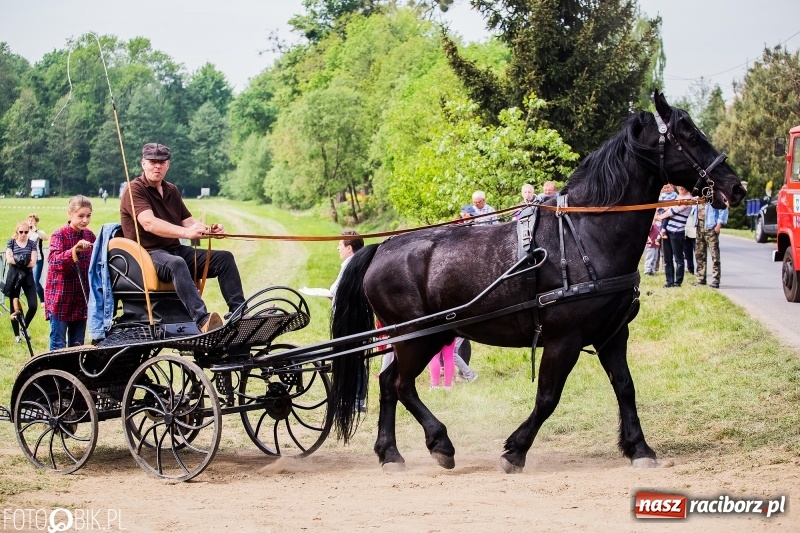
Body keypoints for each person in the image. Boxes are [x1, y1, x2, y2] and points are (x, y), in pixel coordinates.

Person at [119, 142, 245, 333]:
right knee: (177, 263)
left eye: (162, 162)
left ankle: (239, 313)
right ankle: (202, 320)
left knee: (224, 258)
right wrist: (186, 234)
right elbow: (149, 223)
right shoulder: (134, 190)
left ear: (168, 165)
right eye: (152, 162)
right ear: (143, 163)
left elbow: (188, 222)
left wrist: (210, 230)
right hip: (147, 255)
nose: (157, 166)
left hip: (174, 250)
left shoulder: (172, 190)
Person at [45, 196, 97, 350]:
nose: (85, 220)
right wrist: (74, 250)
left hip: (81, 300)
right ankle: (57, 367)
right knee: (58, 346)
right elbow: (54, 261)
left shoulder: (90, 236)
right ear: (70, 213)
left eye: (88, 216)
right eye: (80, 216)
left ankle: (73, 367)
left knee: (77, 345)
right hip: (61, 300)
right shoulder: (59, 235)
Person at [330, 230, 368, 412]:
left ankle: (356, 399)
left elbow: (337, 291)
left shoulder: (351, 266)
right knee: (356, 358)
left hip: (349, 319)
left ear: (349, 248)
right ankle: (357, 398)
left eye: (340, 245)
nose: (338, 248)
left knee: (353, 358)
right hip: (353, 317)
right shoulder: (358, 264)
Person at [5, 220, 38, 343]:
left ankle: (24, 327)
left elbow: (33, 262)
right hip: (14, 276)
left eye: (26, 232)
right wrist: (24, 260)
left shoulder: (31, 244)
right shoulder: (11, 242)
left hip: (27, 276)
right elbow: (9, 259)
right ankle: (17, 335)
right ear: (17, 231)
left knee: (33, 305)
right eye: (21, 232)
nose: (23, 234)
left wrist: (17, 260)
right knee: (14, 305)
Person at [656, 185, 691, 288]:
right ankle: (669, 281)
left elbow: (672, 211)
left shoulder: (688, 199)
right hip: (668, 230)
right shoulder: (678, 197)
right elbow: (668, 208)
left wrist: (660, 216)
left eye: (683, 187)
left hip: (677, 232)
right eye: (679, 187)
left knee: (678, 259)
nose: (680, 188)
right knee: (667, 259)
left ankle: (678, 282)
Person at [692, 203, 729, 288]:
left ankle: (715, 280)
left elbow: (723, 208)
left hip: (711, 226)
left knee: (714, 255)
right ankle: (701, 278)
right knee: (699, 254)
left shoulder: (715, 196)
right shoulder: (698, 196)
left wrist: (719, 224)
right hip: (699, 226)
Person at [26, 214, 48, 302]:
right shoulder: (25, 232)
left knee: (35, 280)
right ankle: (31, 300)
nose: (30, 222)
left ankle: (43, 300)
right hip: (27, 260)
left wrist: (36, 230)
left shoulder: (38, 232)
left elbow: (45, 238)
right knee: (28, 281)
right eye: (29, 220)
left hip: (38, 259)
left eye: (32, 220)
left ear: (36, 222)